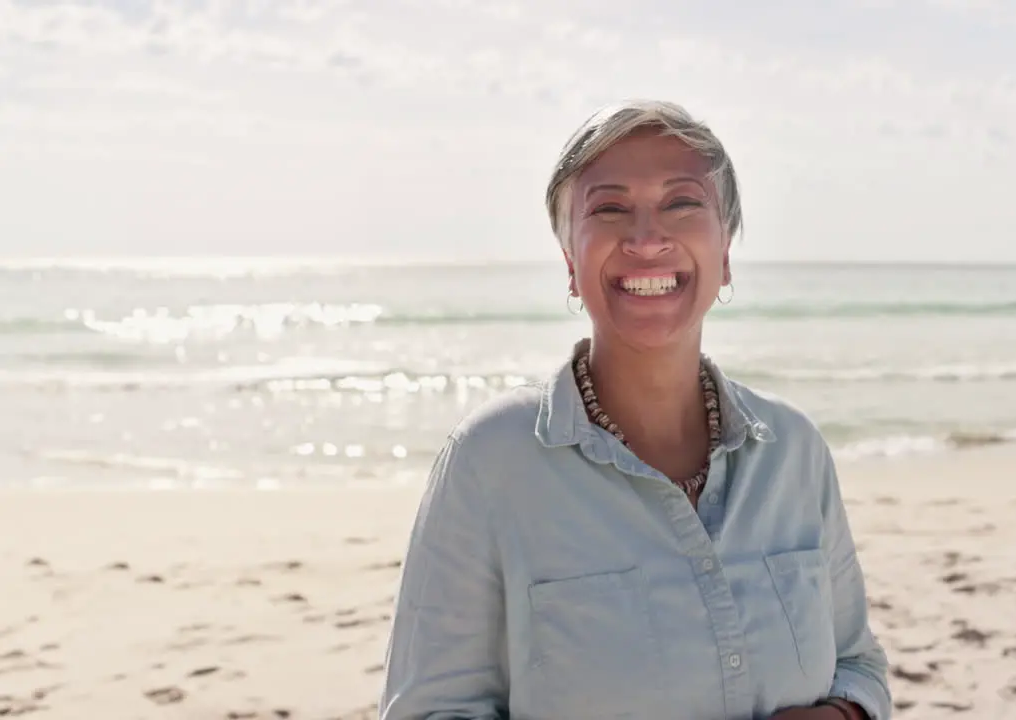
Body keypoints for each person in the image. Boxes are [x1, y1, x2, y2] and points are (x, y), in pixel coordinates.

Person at [378, 99, 892, 720]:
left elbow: (859, 668)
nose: (647, 239)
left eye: (681, 203)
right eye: (610, 208)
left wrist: (841, 716)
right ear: (571, 260)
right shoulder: (490, 462)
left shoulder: (794, 450)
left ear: (725, 250)